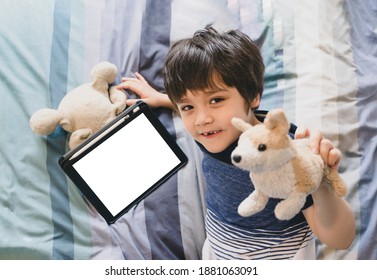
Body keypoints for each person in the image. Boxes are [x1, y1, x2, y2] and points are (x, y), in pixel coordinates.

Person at [116, 26, 355, 259]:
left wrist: (321, 187)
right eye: (187, 107)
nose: (202, 120)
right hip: (218, 252)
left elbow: (341, 239)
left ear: (253, 97)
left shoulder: (282, 154)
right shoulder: (212, 129)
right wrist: (163, 99)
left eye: (216, 100)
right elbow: (198, 104)